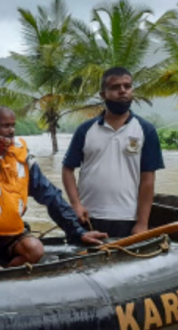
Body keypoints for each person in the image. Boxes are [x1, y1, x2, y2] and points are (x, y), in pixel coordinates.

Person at [0, 106, 108, 269]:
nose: (11, 131)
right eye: (5, 126)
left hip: (11, 234)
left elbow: (51, 196)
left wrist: (77, 232)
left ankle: (5, 276)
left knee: (35, 249)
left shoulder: (23, 160)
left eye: (13, 125)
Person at [62, 67, 165, 237]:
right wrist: (76, 204)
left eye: (127, 86)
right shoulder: (85, 130)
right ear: (103, 94)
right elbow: (67, 169)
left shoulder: (145, 130)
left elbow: (148, 180)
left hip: (127, 218)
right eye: (115, 87)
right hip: (87, 217)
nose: (122, 91)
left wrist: (142, 223)